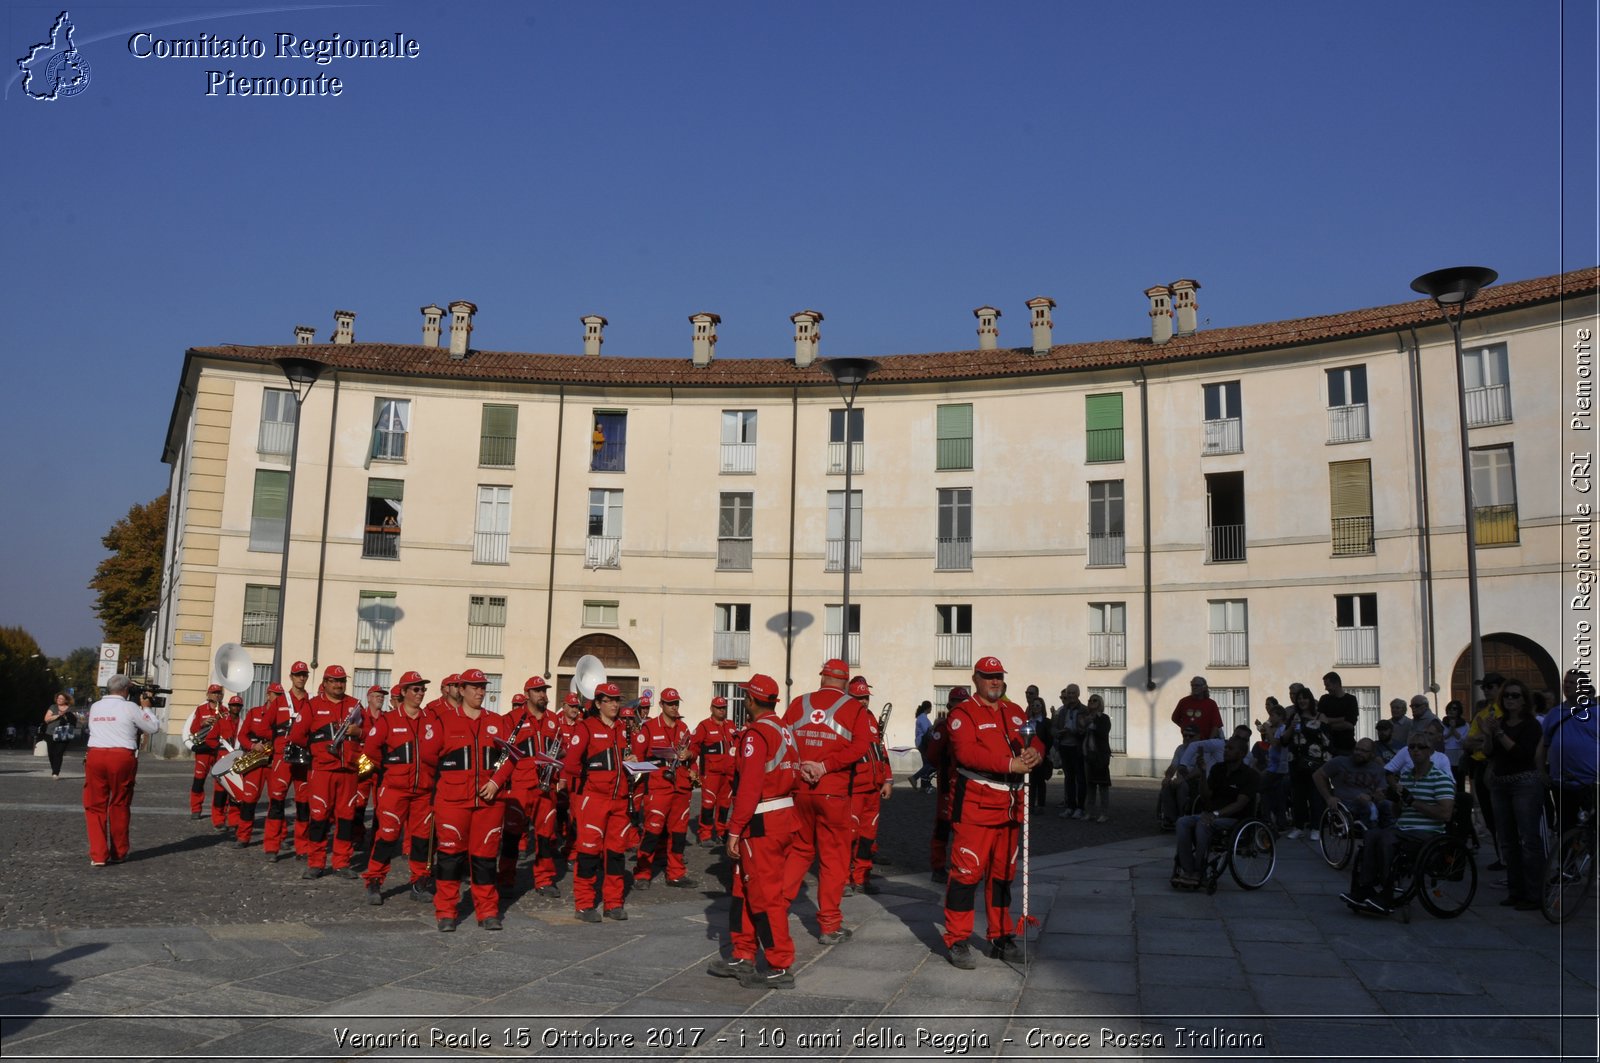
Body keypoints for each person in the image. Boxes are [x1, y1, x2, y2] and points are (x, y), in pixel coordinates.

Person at [940, 656, 1045, 969]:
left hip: (1011, 806)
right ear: (976, 679)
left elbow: (1035, 738)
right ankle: (957, 939)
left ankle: (1000, 936)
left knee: (1003, 875)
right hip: (976, 804)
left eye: (998, 676)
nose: (994, 681)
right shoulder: (962, 713)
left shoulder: (1015, 711)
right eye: (988, 676)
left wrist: (1034, 752)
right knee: (966, 873)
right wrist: (1009, 764)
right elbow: (966, 753)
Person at [706, 673, 800, 990]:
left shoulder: (756, 734)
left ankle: (779, 963)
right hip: (782, 817)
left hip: (761, 823)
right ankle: (743, 953)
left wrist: (734, 829)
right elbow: (796, 775)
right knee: (743, 889)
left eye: (745, 696)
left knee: (764, 895)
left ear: (750, 700)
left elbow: (749, 787)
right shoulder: (784, 730)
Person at [782, 659, 874, 945]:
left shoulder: (799, 702)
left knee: (799, 850)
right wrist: (826, 766)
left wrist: (801, 767)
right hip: (833, 792)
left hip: (800, 789)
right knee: (834, 859)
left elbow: (783, 739)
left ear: (821, 677)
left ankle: (775, 908)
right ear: (845, 682)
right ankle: (829, 924)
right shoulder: (855, 708)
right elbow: (861, 746)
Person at [425, 668, 513, 931]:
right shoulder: (443, 721)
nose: (480, 692)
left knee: (485, 859)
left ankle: (487, 911)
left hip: (489, 802)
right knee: (450, 858)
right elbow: (429, 760)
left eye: (483, 687)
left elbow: (511, 757)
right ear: (460, 690)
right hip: (452, 802)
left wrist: (496, 782)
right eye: (474, 687)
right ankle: (446, 912)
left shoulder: (498, 721)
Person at [1340, 737, 1454, 913]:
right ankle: (1365, 887)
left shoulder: (1441, 779)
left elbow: (1445, 814)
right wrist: (1393, 800)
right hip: (1403, 829)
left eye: (1421, 747)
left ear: (1429, 751)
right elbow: (1398, 812)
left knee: (1386, 838)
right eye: (1412, 747)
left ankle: (1387, 892)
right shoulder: (1406, 777)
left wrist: (1413, 802)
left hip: (1427, 832)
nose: (1416, 750)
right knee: (1371, 834)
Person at [361, 671, 439, 905]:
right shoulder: (388, 721)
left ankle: (419, 881)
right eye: (415, 689)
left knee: (422, 840)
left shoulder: (432, 721)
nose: (420, 693)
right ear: (403, 692)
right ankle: (374, 880)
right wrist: (377, 774)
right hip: (394, 791)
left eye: (423, 689)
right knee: (387, 836)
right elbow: (370, 753)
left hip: (423, 792)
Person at [563, 681, 636, 923]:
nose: (615, 704)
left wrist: (631, 760)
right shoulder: (586, 728)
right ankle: (584, 904)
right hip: (594, 800)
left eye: (617, 700)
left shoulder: (621, 728)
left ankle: (613, 903)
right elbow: (571, 764)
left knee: (616, 853)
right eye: (609, 700)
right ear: (597, 703)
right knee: (588, 853)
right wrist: (589, 783)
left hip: (619, 800)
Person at [287, 664, 365, 880]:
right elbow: (296, 736)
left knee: (347, 818)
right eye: (334, 680)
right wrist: (318, 750)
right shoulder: (313, 706)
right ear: (325, 682)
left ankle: (341, 862)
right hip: (322, 770)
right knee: (319, 817)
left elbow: (370, 733)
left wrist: (359, 731)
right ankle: (316, 863)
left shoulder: (354, 705)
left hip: (348, 770)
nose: (339, 684)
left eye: (342, 680)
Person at [1481, 678, 1545, 910]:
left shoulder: (1531, 725)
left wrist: (1498, 733)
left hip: (1525, 784)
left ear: (1524, 700)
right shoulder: (1499, 723)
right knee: (1507, 840)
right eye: (1507, 695)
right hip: (1501, 784)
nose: (1510, 699)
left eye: (1515, 695)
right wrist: (1488, 735)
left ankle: (1534, 894)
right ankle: (1515, 891)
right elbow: (1489, 753)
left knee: (1528, 839)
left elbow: (1522, 754)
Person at [496, 675, 563, 897]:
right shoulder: (511, 718)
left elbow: (561, 749)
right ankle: (506, 877)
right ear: (527, 695)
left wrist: (558, 763)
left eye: (544, 690)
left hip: (546, 786)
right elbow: (503, 752)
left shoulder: (554, 720)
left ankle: (544, 879)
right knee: (512, 835)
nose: (543, 695)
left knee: (545, 837)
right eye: (538, 691)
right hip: (520, 786)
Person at [82, 675, 160, 866]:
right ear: (126, 690)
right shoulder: (130, 707)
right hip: (121, 756)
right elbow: (153, 727)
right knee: (119, 802)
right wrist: (147, 707)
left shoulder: (96, 707)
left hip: (96, 754)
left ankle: (98, 855)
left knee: (94, 805)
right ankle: (119, 851)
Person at [630, 686, 699, 889]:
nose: (674, 706)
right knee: (652, 832)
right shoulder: (649, 727)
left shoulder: (684, 727)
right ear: (661, 705)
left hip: (681, 787)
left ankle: (676, 874)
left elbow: (693, 751)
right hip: (659, 787)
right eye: (670, 703)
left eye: (676, 703)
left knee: (678, 833)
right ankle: (642, 873)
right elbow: (638, 759)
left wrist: (691, 759)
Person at [1172, 735, 1259, 889]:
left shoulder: (1250, 775)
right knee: (1182, 822)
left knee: (1202, 824)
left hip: (1234, 819)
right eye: (1225, 747)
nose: (1225, 751)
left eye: (1230, 749)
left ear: (1241, 754)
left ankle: (1199, 870)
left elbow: (1240, 804)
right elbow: (1206, 796)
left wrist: (1216, 814)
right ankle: (1188, 869)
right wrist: (1203, 774)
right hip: (1210, 813)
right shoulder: (1218, 769)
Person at [845, 675, 892, 895]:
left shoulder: (871, 718)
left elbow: (880, 751)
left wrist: (888, 780)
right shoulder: (843, 720)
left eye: (865, 697)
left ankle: (862, 878)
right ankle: (844, 879)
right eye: (859, 697)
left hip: (873, 787)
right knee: (848, 836)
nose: (863, 701)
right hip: (853, 788)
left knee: (867, 837)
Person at [1541, 669, 1597, 834]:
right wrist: (1541, 772)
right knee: (1565, 828)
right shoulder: (1553, 714)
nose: (1567, 685)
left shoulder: (1596, 712)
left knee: (1594, 830)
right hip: (1562, 783)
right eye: (1566, 682)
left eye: (1573, 682)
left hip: (1591, 783)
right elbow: (1542, 745)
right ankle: (1565, 859)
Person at [924, 687, 966, 882]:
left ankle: (963, 865)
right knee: (943, 826)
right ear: (950, 706)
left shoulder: (968, 725)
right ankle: (938, 866)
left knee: (964, 827)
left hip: (967, 784)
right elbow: (932, 756)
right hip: (948, 785)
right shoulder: (944, 727)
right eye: (958, 704)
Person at [690, 695, 737, 846]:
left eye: (723, 708)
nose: (721, 710)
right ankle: (705, 834)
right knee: (708, 804)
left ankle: (722, 832)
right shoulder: (703, 726)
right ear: (711, 708)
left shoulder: (731, 725)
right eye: (718, 708)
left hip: (728, 774)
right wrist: (694, 768)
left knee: (725, 805)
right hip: (711, 773)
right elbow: (694, 748)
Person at [231, 691, 276, 848]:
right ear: (267, 695)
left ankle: (275, 838)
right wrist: (252, 746)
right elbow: (242, 736)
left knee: (276, 803)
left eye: (280, 694)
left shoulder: (283, 715)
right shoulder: (254, 712)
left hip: (272, 763)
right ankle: (243, 836)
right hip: (255, 762)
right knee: (248, 800)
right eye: (274, 694)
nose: (277, 697)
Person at [1283, 685, 1329, 839]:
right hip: (1296, 761)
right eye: (1299, 698)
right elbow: (1284, 739)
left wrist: (1326, 761)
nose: (1302, 700)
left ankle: (1316, 827)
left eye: (1305, 697)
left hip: (1315, 762)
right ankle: (1298, 826)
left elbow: (1327, 740)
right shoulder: (1294, 716)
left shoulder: (1320, 716)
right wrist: (1291, 726)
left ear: (1310, 699)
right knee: (1298, 795)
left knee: (1316, 794)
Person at [1313, 738, 1391, 829]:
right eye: (1357, 749)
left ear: (1372, 754)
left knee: (1387, 805)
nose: (1358, 752)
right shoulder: (1340, 762)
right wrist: (1329, 797)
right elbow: (1318, 775)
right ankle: (1370, 835)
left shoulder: (1377, 769)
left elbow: (1382, 791)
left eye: (1363, 751)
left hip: (1368, 802)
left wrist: (1372, 797)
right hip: (1345, 804)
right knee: (1367, 808)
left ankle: (1389, 836)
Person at [186, 684, 225, 819]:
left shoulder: (225, 710)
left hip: (219, 749)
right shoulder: (201, 709)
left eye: (219, 693)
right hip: (203, 749)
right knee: (199, 780)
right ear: (208, 695)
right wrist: (203, 723)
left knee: (221, 782)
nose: (216, 695)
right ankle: (196, 808)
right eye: (214, 693)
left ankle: (219, 814)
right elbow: (193, 729)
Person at [1054, 685, 1087, 818]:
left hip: (1077, 747)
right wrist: (1058, 733)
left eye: (1073, 693)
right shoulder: (1062, 711)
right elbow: (1054, 727)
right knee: (1069, 778)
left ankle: (1080, 807)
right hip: (1065, 746)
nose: (1071, 695)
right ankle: (1070, 806)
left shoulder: (1084, 710)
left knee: (1080, 778)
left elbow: (1085, 729)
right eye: (1069, 693)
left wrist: (1075, 731)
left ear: (1078, 694)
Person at [1080, 693, 1112, 822]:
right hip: (1088, 754)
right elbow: (1080, 731)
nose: (1092, 702)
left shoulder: (1104, 718)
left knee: (1103, 785)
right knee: (1090, 785)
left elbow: (1103, 733)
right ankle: (1089, 812)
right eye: (1090, 700)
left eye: (1095, 700)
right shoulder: (1086, 718)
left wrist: (1093, 726)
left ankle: (1104, 813)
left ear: (1100, 704)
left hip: (1100, 754)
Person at [1318, 672, 1360, 757]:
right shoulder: (1324, 699)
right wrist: (1343, 719)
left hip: (1346, 747)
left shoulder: (1351, 700)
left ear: (1336, 684)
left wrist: (1328, 723)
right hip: (1327, 747)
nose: (1326, 688)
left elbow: (1349, 725)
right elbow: (1321, 720)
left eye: (1327, 685)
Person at [1026, 695, 1054, 810]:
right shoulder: (1028, 721)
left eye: (1038, 705)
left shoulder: (1046, 722)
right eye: (1033, 705)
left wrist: (1045, 752)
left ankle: (1041, 804)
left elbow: (1049, 739)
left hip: (1042, 754)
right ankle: (1030, 803)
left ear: (1042, 707)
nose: (1035, 708)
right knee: (1030, 780)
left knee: (1040, 781)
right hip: (1029, 753)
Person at [43, 693, 77, 780]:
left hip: (64, 734)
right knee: (51, 753)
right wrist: (58, 715)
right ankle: (54, 768)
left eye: (61, 698)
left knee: (59, 753)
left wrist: (67, 716)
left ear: (66, 700)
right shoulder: (53, 707)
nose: (59, 700)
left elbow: (75, 721)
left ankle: (55, 772)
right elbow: (46, 719)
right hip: (50, 733)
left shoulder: (71, 709)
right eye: (58, 698)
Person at [1440, 699, 1470, 794]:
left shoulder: (1465, 725)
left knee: (1460, 779)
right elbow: (1442, 738)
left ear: (1459, 711)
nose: (1451, 711)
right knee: (1448, 778)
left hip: (1459, 753)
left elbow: (1464, 740)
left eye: (1454, 709)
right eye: (1449, 708)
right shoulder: (1443, 723)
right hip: (1447, 752)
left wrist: (1454, 730)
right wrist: (1451, 729)